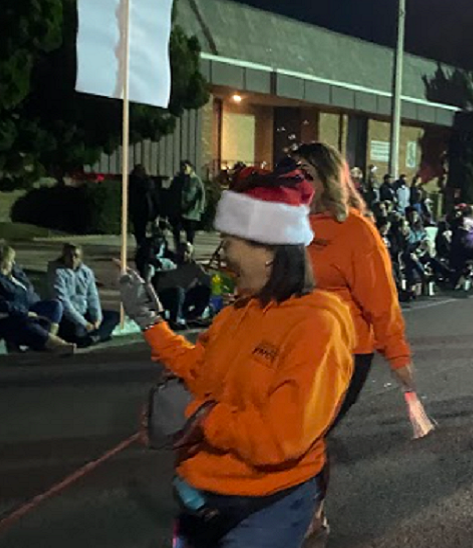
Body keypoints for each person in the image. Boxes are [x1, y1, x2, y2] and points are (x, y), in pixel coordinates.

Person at [119, 167, 355, 548]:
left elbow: (280, 438)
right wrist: (151, 323)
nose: (224, 255)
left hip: (266, 505)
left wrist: (199, 417)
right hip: (201, 495)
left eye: (229, 242)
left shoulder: (317, 325)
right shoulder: (237, 313)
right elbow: (199, 369)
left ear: (269, 251)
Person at [291, 143, 416, 414]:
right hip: (289, 346)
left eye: (307, 175)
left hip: (342, 351)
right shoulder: (283, 226)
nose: (297, 183)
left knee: (302, 431)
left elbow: (380, 298)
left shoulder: (354, 231)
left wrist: (397, 354)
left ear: (328, 179)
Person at [0, 242, 74, 354]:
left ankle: (47, 340)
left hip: (27, 308)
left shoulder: (15, 273)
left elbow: (29, 291)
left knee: (55, 306)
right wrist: (24, 313)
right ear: (0, 261)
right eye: (10, 260)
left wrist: (32, 309)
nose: (13, 263)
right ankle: (56, 344)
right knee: (26, 324)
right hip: (3, 318)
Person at [46, 243, 119, 347]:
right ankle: (96, 336)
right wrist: (83, 323)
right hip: (67, 316)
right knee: (71, 329)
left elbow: (92, 296)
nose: (72, 259)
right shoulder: (56, 272)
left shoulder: (86, 272)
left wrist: (97, 318)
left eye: (76, 256)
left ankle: (93, 338)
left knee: (113, 316)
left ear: (80, 257)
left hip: (83, 311)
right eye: (69, 256)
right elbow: (63, 301)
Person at [153, 242, 213, 329]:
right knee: (177, 291)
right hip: (167, 297)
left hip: (183, 296)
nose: (184, 254)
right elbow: (160, 285)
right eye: (181, 251)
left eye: (187, 252)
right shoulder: (169, 263)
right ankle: (175, 319)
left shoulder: (194, 266)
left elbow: (207, 281)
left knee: (204, 290)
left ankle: (193, 316)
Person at [171, 160, 206, 252]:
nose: (184, 169)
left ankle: (189, 249)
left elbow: (202, 195)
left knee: (190, 232)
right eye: (182, 167)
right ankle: (178, 248)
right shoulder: (178, 179)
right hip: (179, 210)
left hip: (192, 211)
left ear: (191, 168)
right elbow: (172, 193)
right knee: (176, 229)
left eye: (186, 167)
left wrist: (200, 208)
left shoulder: (196, 180)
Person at [129, 164, 160, 251]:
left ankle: (141, 245)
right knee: (143, 229)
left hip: (139, 209)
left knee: (139, 229)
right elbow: (154, 196)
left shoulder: (133, 182)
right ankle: (146, 246)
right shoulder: (147, 182)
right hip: (146, 209)